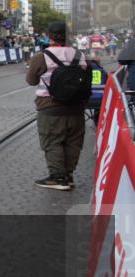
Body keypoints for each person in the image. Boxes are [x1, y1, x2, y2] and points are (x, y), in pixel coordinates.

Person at [26, 21, 88, 191]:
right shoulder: (79, 55)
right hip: (76, 107)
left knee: (53, 141)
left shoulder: (41, 56)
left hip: (50, 106)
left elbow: (31, 81)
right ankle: (68, 175)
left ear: (49, 36)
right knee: (73, 142)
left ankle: (58, 177)